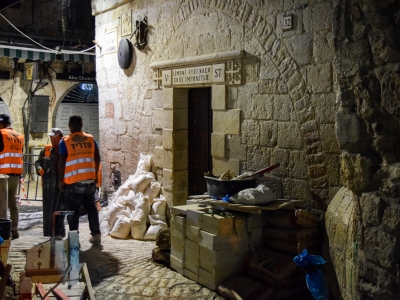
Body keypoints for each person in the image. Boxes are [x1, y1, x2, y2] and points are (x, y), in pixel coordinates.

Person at [58, 115, 101, 245]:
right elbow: (97, 157)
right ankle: (96, 235)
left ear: (70, 126)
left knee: (73, 211)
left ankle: (74, 238)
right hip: (89, 181)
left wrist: (61, 180)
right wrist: (94, 175)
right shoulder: (91, 139)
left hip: (74, 182)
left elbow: (61, 161)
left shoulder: (65, 141)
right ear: (81, 126)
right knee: (91, 209)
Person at [34, 128, 66, 239]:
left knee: (60, 208)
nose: (53, 141)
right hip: (49, 186)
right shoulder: (46, 150)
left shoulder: (66, 150)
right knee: (49, 210)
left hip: (62, 185)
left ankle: (59, 232)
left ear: (61, 138)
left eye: (55, 139)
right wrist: (39, 169)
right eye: (51, 138)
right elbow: (38, 162)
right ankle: (49, 233)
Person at [0, 114, 24, 240]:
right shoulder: (20, 136)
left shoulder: (1, 134)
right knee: (13, 203)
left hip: (2, 175)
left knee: (1, 203)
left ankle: (2, 231)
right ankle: (14, 230)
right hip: (15, 174)